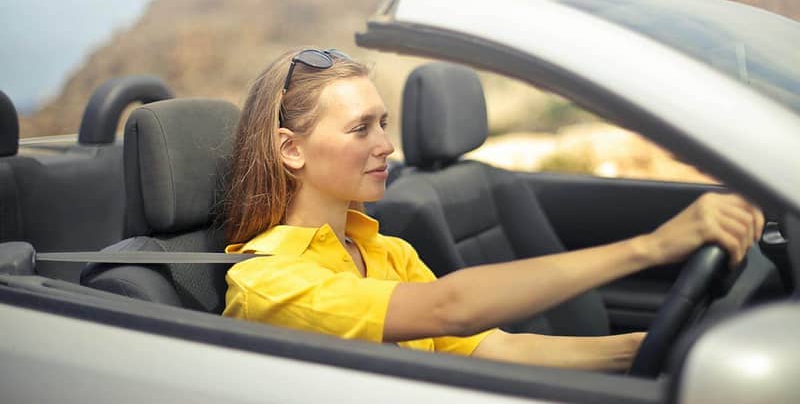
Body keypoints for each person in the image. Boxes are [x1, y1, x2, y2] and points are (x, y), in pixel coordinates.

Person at [221, 48, 764, 371]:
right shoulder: (268, 281)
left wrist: (653, 349)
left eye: (383, 123)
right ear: (291, 149)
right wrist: (650, 248)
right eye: (361, 128)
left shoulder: (385, 251)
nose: (386, 145)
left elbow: (493, 348)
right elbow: (447, 308)